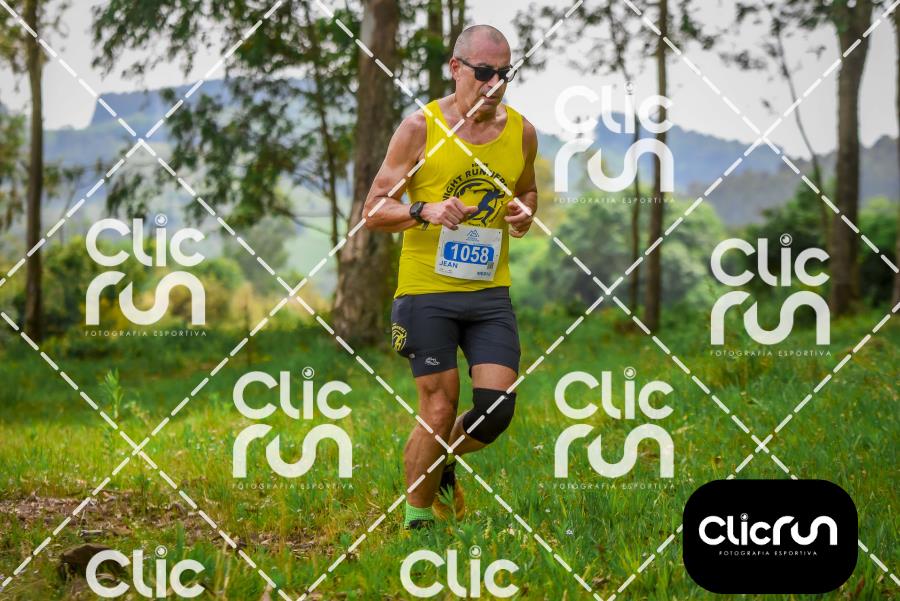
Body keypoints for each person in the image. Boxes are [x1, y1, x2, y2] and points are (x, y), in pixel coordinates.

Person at [363, 24, 538, 530]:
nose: (494, 84)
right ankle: (417, 522)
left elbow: (527, 191)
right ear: (456, 68)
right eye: (484, 72)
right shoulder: (420, 128)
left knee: (496, 411)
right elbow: (373, 210)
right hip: (426, 293)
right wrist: (425, 210)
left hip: (489, 294)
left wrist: (525, 213)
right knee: (439, 409)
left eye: (504, 74)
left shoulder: (522, 132)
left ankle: (439, 462)